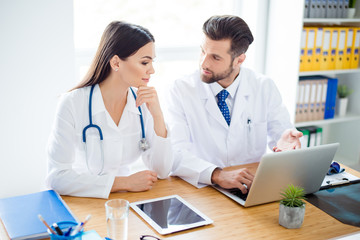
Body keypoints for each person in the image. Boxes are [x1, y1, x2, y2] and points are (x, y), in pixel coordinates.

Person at [168, 15, 303, 194]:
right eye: (202, 51)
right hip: (203, 189)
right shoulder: (182, 89)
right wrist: (217, 174)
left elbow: (282, 136)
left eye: (215, 58)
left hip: (250, 187)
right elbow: (175, 153)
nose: (204, 63)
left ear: (239, 60)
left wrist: (287, 148)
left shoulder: (263, 86)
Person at [46, 21, 173, 199]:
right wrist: (124, 183)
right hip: (84, 201)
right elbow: (57, 178)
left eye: (152, 62)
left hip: (127, 201)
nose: (152, 70)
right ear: (116, 62)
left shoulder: (144, 102)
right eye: (145, 62)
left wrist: (158, 116)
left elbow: (162, 171)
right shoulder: (73, 103)